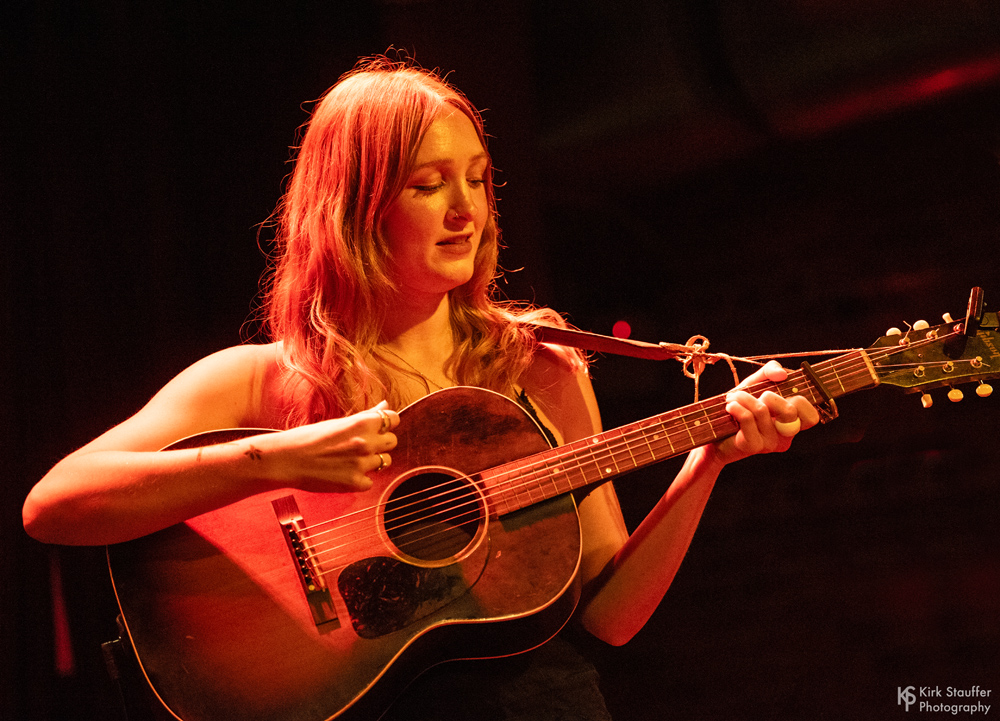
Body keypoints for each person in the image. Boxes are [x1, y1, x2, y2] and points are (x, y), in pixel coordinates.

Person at [22, 56, 818, 720]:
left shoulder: (537, 365)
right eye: (429, 184)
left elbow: (610, 616)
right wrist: (275, 459)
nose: (467, 210)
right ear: (354, 208)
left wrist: (707, 460)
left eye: (477, 178)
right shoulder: (267, 378)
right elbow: (54, 503)